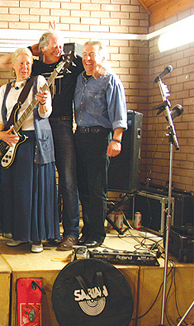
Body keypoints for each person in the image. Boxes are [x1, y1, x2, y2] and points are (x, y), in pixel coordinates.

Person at [0, 28, 107, 251]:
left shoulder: (70, 62)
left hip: (62, 123)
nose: (60, 49)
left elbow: (93, 62)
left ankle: (71, 233)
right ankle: (41, 231)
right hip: (36, 127)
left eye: (62, 45)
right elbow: (2, 61)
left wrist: (105, 65)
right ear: (43, 48)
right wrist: (32, 49)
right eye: (55, 45)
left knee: (67, 179)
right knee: (40, 181)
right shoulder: (34, 65)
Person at [0, 47, 59, 253]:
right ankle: (19, 234)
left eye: (28, 63)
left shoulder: (39, 82)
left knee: (35, 190)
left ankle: (36, 238)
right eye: (21, 63)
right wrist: (1, 134)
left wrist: (43, 103)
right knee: (16, 190)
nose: (25, 67)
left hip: (34, 142)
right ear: (13, 65)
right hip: (12, 143)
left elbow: (45, 113)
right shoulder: (4, 89)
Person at [74, 40, 127, 248]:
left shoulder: (110, 79)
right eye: (85, 54)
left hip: (100, 138)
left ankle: (97, 234)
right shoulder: (80, 78)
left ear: (102, 57)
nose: (88, 58)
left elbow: (119, 113)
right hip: (80, 137)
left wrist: (116, 140)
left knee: (97, 189)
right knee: (84, 189)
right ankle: (87, 231)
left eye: (92, 54)